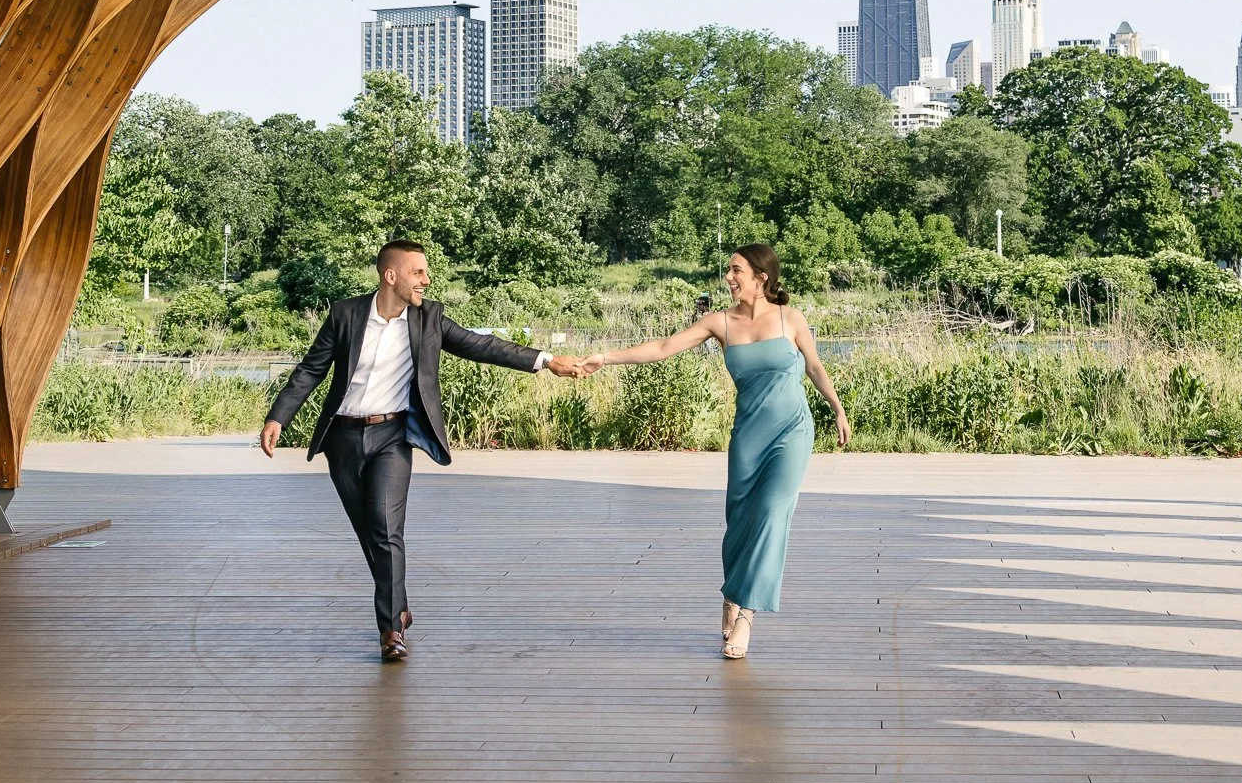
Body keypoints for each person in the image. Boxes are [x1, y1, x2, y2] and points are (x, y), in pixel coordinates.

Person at [260, 240, 585, 661]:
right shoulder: (346, 314)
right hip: (342, 439)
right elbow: (311, 369)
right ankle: (399, 606)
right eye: (418, 272)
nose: (426, 280)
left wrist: (547, 360)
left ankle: (390, 630)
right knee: (370, 534)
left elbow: (481, 345)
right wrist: (277, 417)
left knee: (386, 529)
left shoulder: (428, 318)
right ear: (390, 275)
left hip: (393, 437)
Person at [580, 243, 851, 659]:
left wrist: (837, 407)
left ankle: (747, 615)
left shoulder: (791, 318)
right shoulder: (719, 323)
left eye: (736, 270)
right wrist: (604, 356)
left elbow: (814, 366)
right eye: (729, 270)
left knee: (772, 513)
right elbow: (662, 348)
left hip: (792, 431)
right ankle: (732, 594)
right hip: (748, 436)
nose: (729, 277)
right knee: (739, 521)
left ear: (761, 277)